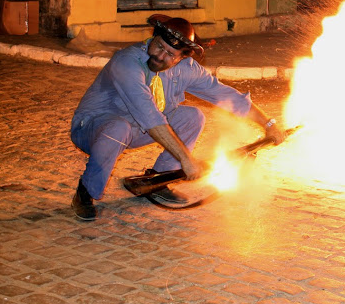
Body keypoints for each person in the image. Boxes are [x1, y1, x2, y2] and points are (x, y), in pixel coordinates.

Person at [70, 15, 285, 220]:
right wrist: (186, 160)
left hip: (136, 128)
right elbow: (150, 116)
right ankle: (85, 191)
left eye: (170, 55)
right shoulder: (127, 62)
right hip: (94, 128)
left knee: (193, 117)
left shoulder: (187, 69)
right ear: (153, 37)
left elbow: (227, 96)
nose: (161, 56)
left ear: (182, 57)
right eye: (159, 46)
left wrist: (268, 123)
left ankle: (158, 181)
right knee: (118, 128)